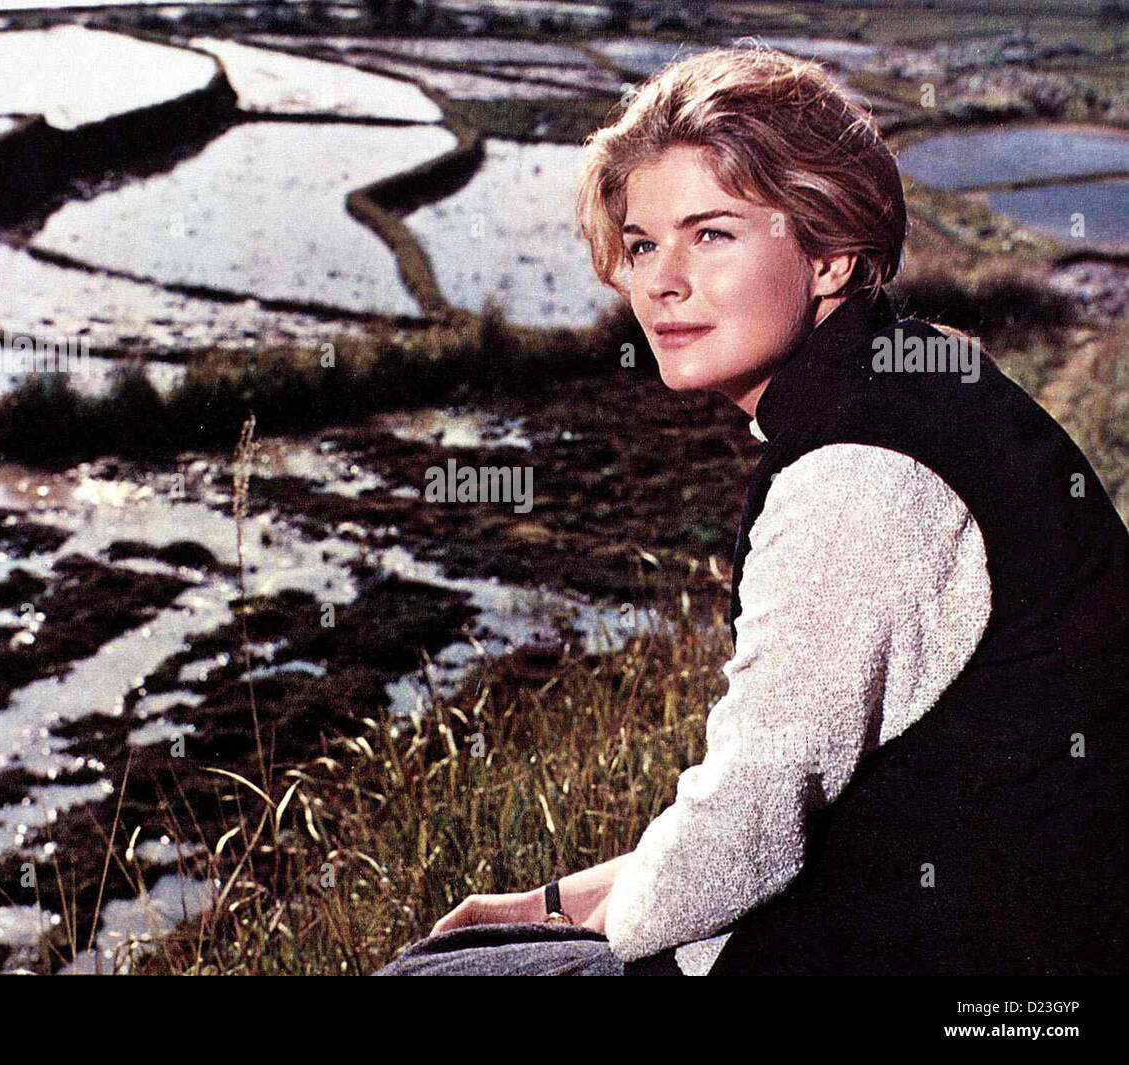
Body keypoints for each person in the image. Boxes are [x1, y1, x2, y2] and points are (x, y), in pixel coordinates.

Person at [373, 44, 1129, 976]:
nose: (660, 282)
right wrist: (555, 903)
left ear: (831, 250)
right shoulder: (914, 378)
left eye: (712, 234)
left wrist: (565, 926)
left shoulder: (858, 475)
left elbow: (748, 827)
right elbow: (790, 802)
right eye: (644, 244)